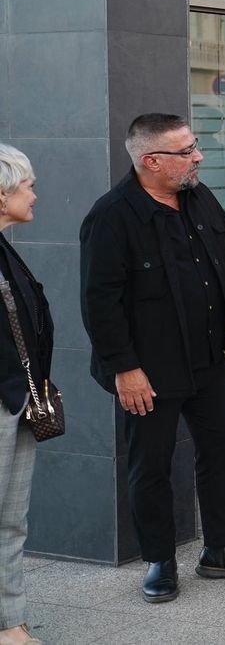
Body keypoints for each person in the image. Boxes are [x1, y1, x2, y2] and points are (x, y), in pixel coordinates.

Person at [80, 115, 225, 603]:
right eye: (187, 150)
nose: (198, 157)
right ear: (151, 161)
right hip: (148, 370)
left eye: (194, 147)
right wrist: (124, 368)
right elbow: (98, 302)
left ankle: (221, 549)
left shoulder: (198, 197)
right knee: (151, 464)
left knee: (220, 450)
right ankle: (160, 561)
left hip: (207, 357)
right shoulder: (112, 217)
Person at [0, 145, 49, 644]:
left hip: (17, 400)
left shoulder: (5, 246)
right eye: (28, 185)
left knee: (10, 521)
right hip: (5, 399)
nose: (35, 194)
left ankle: (9, 624)